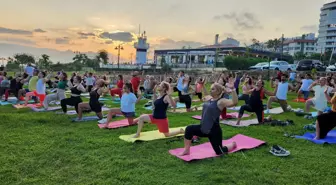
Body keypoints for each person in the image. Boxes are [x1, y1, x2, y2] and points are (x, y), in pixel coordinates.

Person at [178, 83, 238, 156]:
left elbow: (234, 102)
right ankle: (186, 150)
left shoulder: (221, 101)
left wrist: (233, 89)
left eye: (213, 89)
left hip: (214, 131)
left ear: (218, 91)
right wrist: (202, 85)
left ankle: (232, 144)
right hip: (203, 128)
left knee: (219, 151)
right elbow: (206, 94)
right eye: (210, 88)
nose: (210, 90)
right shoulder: (210, 98)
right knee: (189, 129)